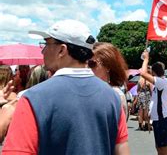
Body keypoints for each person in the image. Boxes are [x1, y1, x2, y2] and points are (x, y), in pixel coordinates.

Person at [3, 19, 129, 154]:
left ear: (62, 50)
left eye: (46, 44)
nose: (43, 50)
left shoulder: (33, 97)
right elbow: (122, 150)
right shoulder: (112, 97)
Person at [140, 50, 167, 155]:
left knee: (164, 149)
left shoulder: (161, 82)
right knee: (159, 148)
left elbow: (143, 73)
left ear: (154, 73)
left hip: (162, 119)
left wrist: (146, 59)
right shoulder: (161, 82)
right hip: (159, 119)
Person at [90, 42, 129, 120]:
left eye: (92, 64)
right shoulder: (87, 90)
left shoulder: (116, 95)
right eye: (85, 63)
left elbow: (119, 130)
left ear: (107, 66)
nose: (88, 68)